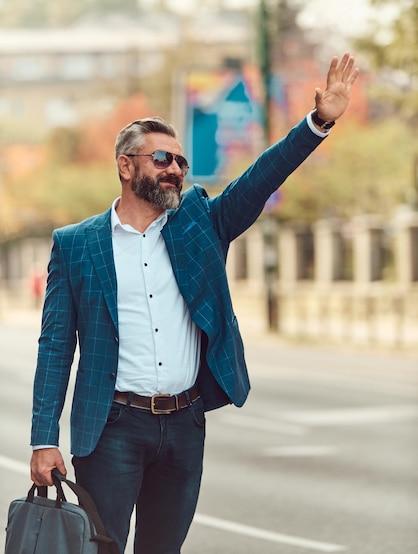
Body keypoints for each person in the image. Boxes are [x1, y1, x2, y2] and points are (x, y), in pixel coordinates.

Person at [31, 53, 359, 553]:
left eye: (180, 161)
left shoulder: (200, 224)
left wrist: (318, 124)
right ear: (125, 165)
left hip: (184, 426)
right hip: (113, 427)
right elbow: (55, 345)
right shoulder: (77, 244)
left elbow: (259, 179)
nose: (175, 169)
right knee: (102, 549)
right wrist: (43, 438)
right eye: (161, 159)